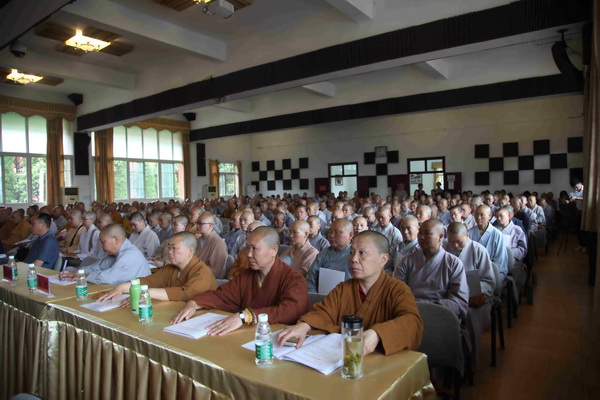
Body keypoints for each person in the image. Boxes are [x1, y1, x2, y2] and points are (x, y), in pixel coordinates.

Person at [278, 231, 423, 356]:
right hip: (342, 358)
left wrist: (378, 334)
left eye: (362, 253)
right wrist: (305, 326)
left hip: (380, 359)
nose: (353, 259)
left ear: (383, 259)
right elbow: (323, 312)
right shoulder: (343, 288)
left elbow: (412, 322)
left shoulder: (397, 289)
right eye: (352, 252)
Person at [170, 227, 310, 335]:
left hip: (272, 340)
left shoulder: (293, 279)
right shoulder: (247, 275)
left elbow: (291, 310)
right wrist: (195, 303)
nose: (248, 254)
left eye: (254, 249)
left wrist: (246, 316)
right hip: (245, 335)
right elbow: (223, 295)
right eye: (247, 247)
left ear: (274, 250)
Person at [98, 232, 218, 304]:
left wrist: (148, 293)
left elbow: (186, 294)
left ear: (190, 251)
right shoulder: (171, 268)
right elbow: (149, 281)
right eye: (169, 248)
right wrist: (122, 287)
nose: (170, 252)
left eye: (174, 248)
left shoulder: (202, 272)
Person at [397, 219, 469, 321]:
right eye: (420, 233)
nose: (421, 237)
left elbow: (458, 302)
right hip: (410, 311)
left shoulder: (454, 263)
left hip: (440, 314)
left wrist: (430, 308)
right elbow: (398, 290)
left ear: (440, 237)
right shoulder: (407, 260)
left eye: (427, 233)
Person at [60, 224, 151, 284]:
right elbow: (97, 267)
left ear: (115, 239)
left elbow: (107, 278)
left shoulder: (130, 255)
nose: (101, 245)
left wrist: (82, 276)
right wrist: (76, 273)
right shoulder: (115, 253)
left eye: (103, 242)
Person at [306, 219, 354, 293]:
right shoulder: (324, 253)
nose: (331, 235)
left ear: (350, 235)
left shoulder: (355, 255)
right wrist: (314, 296)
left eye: (337, 232)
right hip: (321, 298)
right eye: (330, 232)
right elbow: (311, 278)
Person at [468, 205, 508, 280]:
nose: (478, 217)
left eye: (482, 215)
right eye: (476, 214)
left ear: (489, 216)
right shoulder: (470, 232)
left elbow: (500, 259)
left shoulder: (497, 234)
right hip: (473, 270)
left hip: (493, 271)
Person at [196, 212, 228, 279]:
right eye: (197, 223)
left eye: (200, 223)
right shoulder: (197, 240)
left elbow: (215, 270)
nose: (197, 226)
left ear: (210, 225)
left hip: (207, 279)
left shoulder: (219, 243)